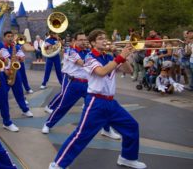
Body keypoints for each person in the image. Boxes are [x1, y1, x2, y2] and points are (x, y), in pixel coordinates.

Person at [49, 29, 146, 169]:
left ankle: (127, 158)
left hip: (111, 103)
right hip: (96, 103)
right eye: (100, 38)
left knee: (131, 126)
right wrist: (119, 57)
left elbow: (129, 70)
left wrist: (119, 54)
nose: (104, 40)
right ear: (93, 42)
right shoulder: (89, 57)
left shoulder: (108, 57)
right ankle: (57, 164)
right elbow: (101, 72)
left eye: (105, 38)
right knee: (81, 136)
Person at [42, 32, 120, 140]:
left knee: (101, 108)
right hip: (73, 83)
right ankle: (48, 124)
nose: (84, 42)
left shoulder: (88, 51)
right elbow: (82, 63)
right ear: (74, 41)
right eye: (81, 40)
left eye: (85, 40)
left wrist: (106, 51)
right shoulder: (70, 51)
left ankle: (106, 129)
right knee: (63, 106)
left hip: (87, 84)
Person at [0, 31, 33, 119]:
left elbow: (22, 58)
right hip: (4, 73)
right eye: (8, 36)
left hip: (15, 73)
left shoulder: (16, 47)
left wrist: (20, 58)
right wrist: (5, 69)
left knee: (19, 92)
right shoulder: (0, 48)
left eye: (11, 36)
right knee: (2, 93)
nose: (10, 38)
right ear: (4, 38)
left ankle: (25, 110)